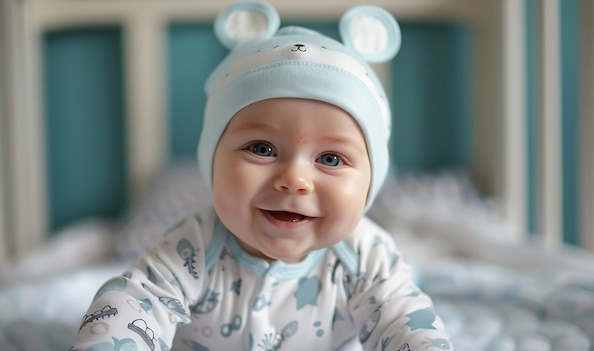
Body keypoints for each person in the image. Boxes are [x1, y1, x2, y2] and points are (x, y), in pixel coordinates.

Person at [72, 2, 452, 350]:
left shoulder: (367, 257)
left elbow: (405, 321)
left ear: (371, 181)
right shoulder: (193, 247)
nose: (294, 180)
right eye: (262, 149)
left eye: (331, 158)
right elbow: (136, 301)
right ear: (214, 160)